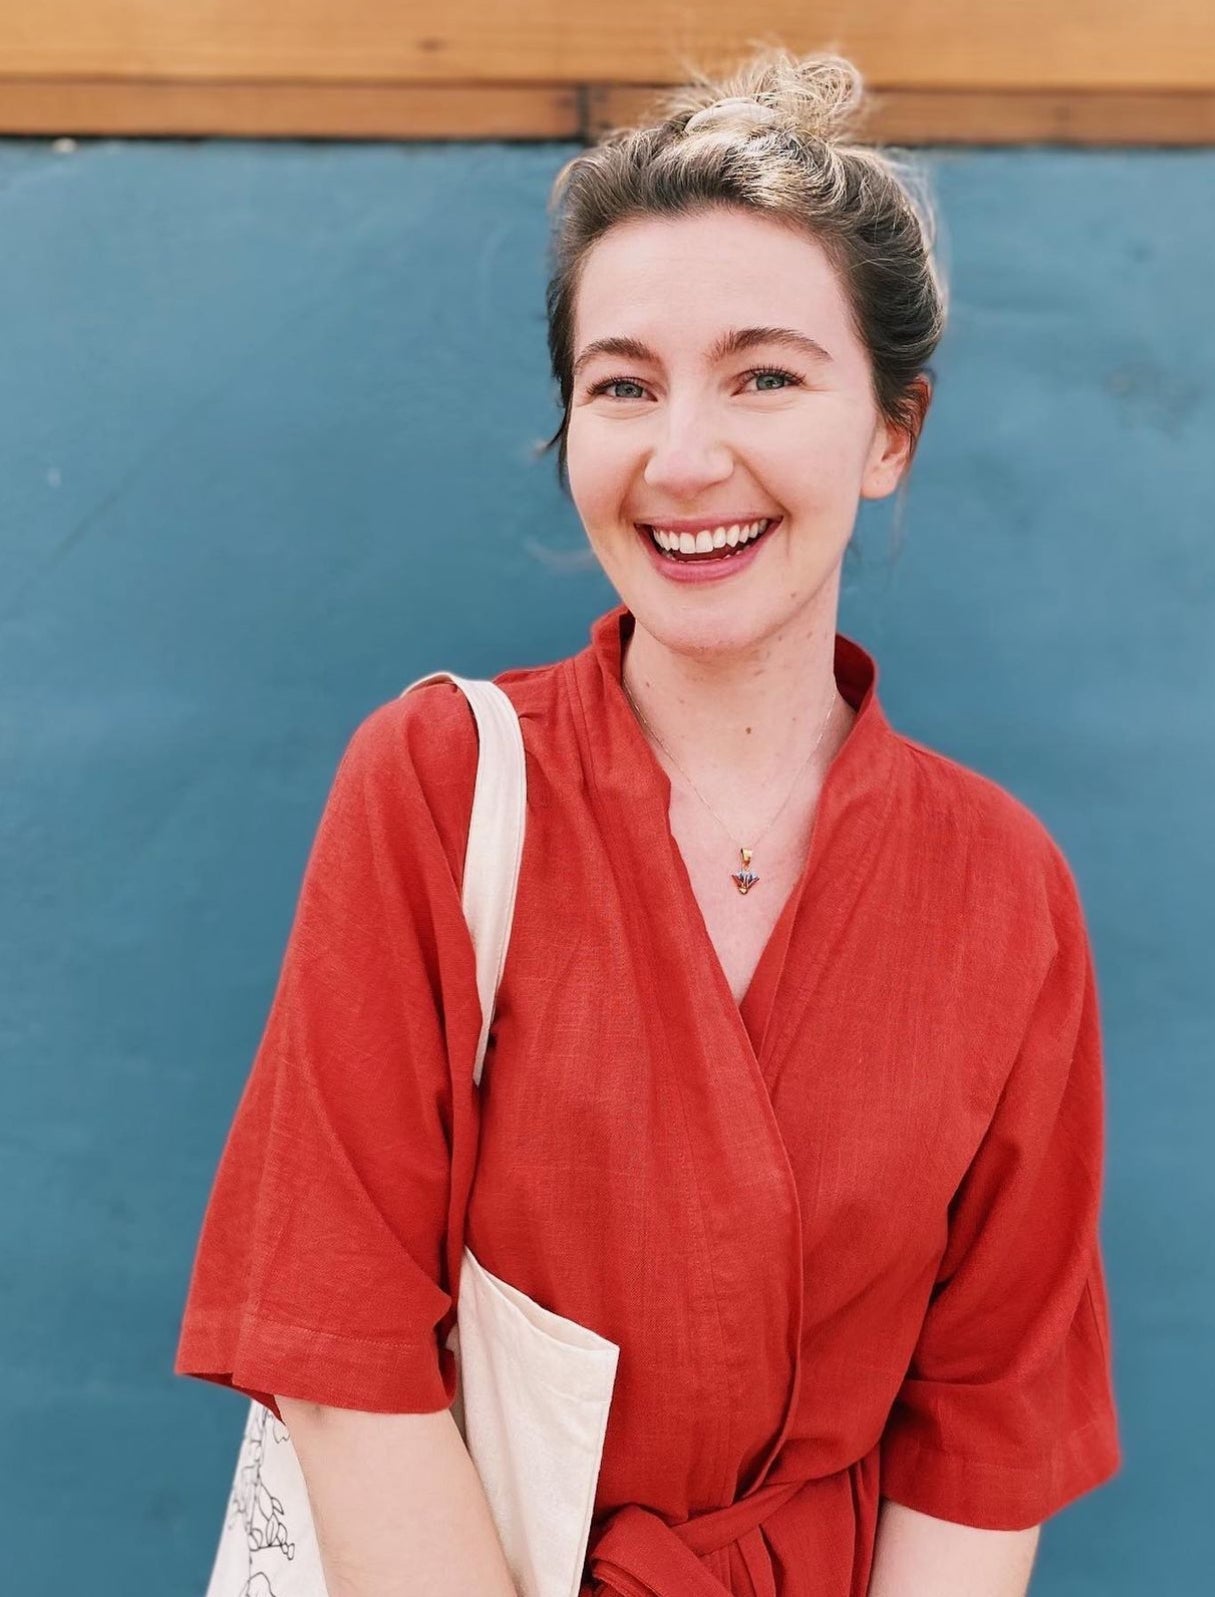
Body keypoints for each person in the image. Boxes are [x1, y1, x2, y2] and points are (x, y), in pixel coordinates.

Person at [174, 45, 1123, 1597]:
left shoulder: (999, 889)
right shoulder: (438, 786)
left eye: (766, 374)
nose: (685, 459)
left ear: (894, 430)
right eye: (622, 384)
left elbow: (985, 1434)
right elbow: (343, 1353)